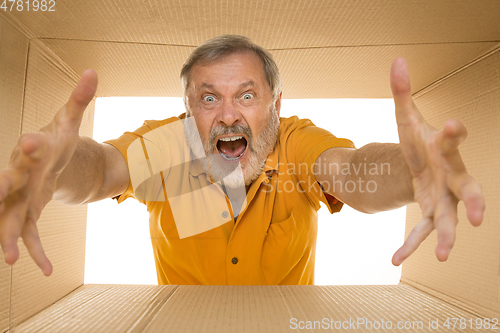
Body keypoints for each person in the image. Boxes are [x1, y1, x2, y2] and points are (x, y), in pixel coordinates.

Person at [0, 35, 485, 285]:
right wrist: (57, 166)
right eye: (208, 99)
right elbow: (103, 169)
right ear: (189, 109)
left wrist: (410, 169)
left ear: (276, 105)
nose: (228, 115)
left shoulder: (294, 142)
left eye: (247, 95)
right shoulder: (169, 145)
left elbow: (352, 170)